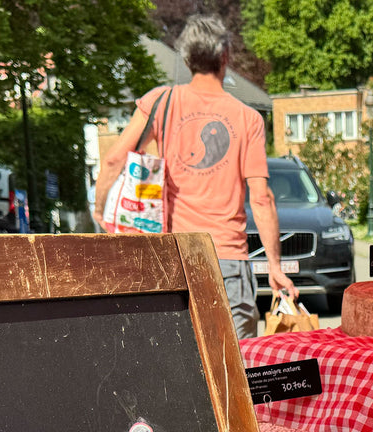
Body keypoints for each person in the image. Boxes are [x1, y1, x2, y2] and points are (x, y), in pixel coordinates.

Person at [92, 15, 293, 339]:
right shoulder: (248, 119)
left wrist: (100, 211)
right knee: (235, 369)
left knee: (181, 365)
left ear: (186, 59)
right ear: (225, 56)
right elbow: (261, 198)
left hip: (176, 257)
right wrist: (274, 267)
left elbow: (114, 159)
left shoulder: (161, 102)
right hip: (228, 259)